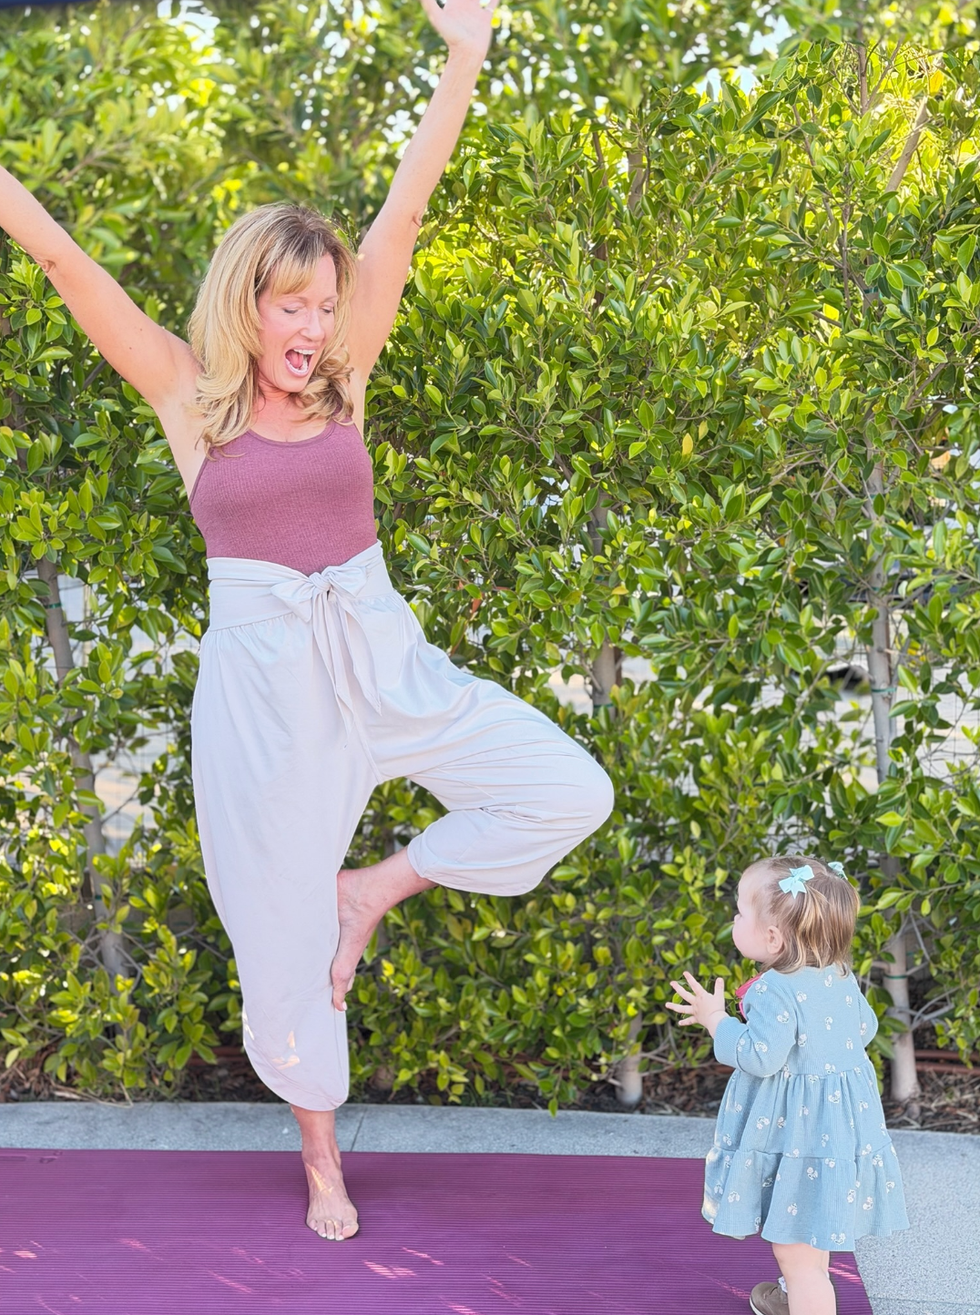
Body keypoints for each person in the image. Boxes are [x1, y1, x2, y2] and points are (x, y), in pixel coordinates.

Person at [0, 0, 614, 1242]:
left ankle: (370, 891)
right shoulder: (190, 398)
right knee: (276, 943)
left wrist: (466, 56)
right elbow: (69, 266)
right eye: (291, 307)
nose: (311, 328)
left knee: (567, 788)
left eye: (325, 307)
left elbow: (405, 211)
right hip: (267, 696)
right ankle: (323, 1159)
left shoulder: (349, 374)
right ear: (249, 305)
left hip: (383, 659)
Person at [668, 856, 908, 1315]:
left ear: (773, 937)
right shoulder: (839, 975)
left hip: (794, 1134)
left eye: (740, 912)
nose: (734, 919)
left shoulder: (775, 988)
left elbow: (761, 1056)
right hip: (836, 1131)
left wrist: (716, 1020)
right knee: (810, 1227)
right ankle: (788, 1299)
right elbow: (865, 1029)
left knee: (798, 1259)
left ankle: (804, 1297)